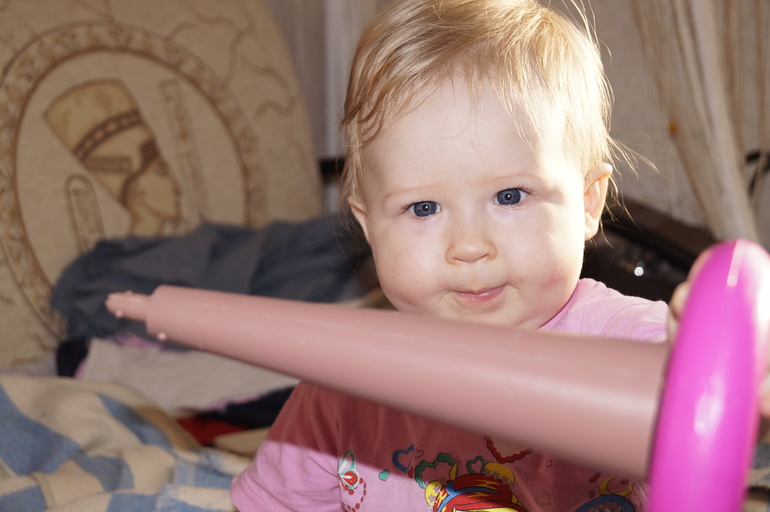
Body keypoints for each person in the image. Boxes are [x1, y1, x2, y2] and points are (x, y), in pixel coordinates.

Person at [231, 0, 670, 510]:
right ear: (369, 227)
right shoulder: (343, 381)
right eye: (423, 208)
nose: (469, 246)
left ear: (588, 203)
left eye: (510, 196)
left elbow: (709, 385)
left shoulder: (624, 345)